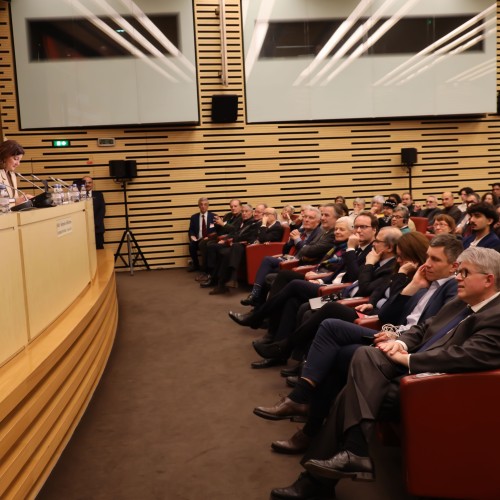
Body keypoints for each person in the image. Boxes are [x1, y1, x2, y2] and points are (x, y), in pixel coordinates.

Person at [293, 247, 500, 497]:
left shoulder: (494, 314)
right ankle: (345, 453)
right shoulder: (460, 300)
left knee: (350, 389)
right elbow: (422, 327)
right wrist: (400, 342)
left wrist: (409, 358)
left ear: (489, 279)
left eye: (465, 272)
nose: (457, 277)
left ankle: (323, 470)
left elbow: (469, 356)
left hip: (437, 385)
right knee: (362, 352)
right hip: (399, 356)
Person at [187, 197, 217, 272]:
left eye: (205, 204)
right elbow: (191, 230)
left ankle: (206, 267)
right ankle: (196, 265)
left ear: (208, 206)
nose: (203, 206)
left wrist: (210, 237)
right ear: (199, 206)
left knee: (207, 245)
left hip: (209, 240)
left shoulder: (214, 216)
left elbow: (217, 231)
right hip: (198, 239)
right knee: (191, 246)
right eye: (201, 204)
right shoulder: (194, 217)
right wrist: (192, 236)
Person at [0, 139, 33, 206]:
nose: (18, 164)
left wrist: (24, 199)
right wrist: (15, 201)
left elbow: (14, 199)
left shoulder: (12, 175)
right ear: (4, 157)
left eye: (19, 160)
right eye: (16, 159)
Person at [82, 176, 106, 249]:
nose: (87, 184)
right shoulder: (77, 196)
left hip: (97, 229)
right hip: (82, 229)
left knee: (99, 250)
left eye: (89, 182)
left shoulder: (99, 195)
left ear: (92, 184)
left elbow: (102, 211)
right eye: (85, 183)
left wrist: (93, 224)